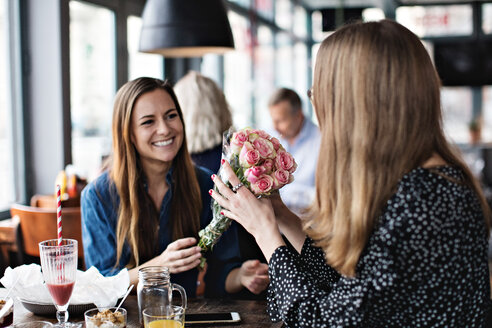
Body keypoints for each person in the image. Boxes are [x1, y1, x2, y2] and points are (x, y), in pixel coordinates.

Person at [210, 20, 491, 326]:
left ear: (356, 104)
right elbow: (352, 289)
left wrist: (264, 233)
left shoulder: (421, 199)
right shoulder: (426, 184)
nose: (318, 106)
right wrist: (281, 216)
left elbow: (329, 321)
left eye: (320, 93)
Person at [81, 77, 243, 298]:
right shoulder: (97, 196)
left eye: (171, 116)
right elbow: (100, 286)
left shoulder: (207, 184)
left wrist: (242, 277)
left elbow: (219, 276)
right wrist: (159, 266)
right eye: (148, 122)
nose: (165, 129)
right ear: (128, 133)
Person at [174, 71, 269, 299]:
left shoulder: (180, 166)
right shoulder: (240, 157)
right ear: (220, 106)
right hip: (252, 265)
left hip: (199, 278)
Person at [267, 88, 320, 216]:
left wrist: (283, 195)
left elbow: (322, 197)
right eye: (273, 120)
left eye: (280, 121)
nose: (275, 127)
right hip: (276, 225)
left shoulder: (321, 141)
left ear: (298, 116)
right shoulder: (271, 137)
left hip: (307, 227)